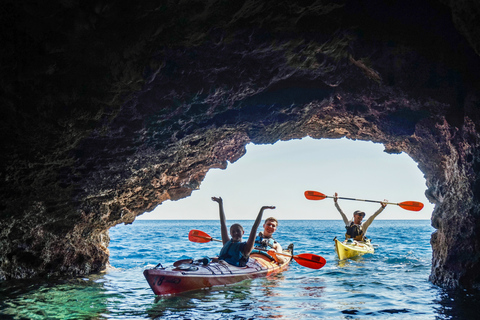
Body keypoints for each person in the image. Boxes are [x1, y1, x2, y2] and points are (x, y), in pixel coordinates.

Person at [212, 196, 275, 267]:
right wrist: (220, 204)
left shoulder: (246, 248)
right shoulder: (226, 242)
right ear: (230, 233)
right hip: (220, 264)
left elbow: (254, 228)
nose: (235, 233)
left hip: (234, 268)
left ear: (243, 233)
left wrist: (262, 209)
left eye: (238, 231)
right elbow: (223, 224)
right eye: (233, 231)